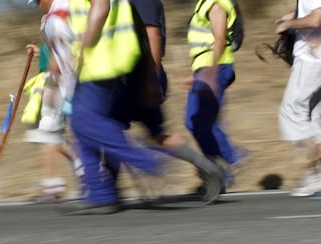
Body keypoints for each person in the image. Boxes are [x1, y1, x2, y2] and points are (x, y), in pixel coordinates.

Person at [109, 0, 224, 203]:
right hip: (141, 74)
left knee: (109, 128)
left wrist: (151, 80)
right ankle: (208, 168)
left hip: (140, 75)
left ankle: (108, 190)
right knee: (154, 134)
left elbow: (152, 34)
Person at [66, 0, 168, 214]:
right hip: (103, 59)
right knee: (82, 131)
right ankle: (100, 194)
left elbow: (101, 6)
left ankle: (144, 159)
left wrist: (82, 49)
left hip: (102, 59)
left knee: (84, 122)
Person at [24, 0, 84, 201]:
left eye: (38, 2)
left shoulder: (62, 12)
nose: (37, 6)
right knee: (49, 133)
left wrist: (53, 78)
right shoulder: (49, 17)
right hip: (54, 80)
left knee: (47, 133)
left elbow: (67, 50)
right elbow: (55, 47)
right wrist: (39, 51)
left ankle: (56, 185)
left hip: (60, 82)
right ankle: (82, 170)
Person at [184, 0, 247, 187]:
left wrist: (210, 72)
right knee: (199, 122)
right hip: (207, 68)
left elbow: (219, 38)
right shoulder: (205, 3)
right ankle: (221, 171)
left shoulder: (216, 4)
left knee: (198, 121)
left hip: (214, 69)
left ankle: (230, 160)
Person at [275, 1, 321, 197]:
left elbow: (315, 19)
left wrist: (289, 25)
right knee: (312, 117)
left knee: (291, 113)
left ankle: (318, 171)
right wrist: (292, 15)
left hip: (313, 61)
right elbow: (315, 11)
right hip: (316, 58)